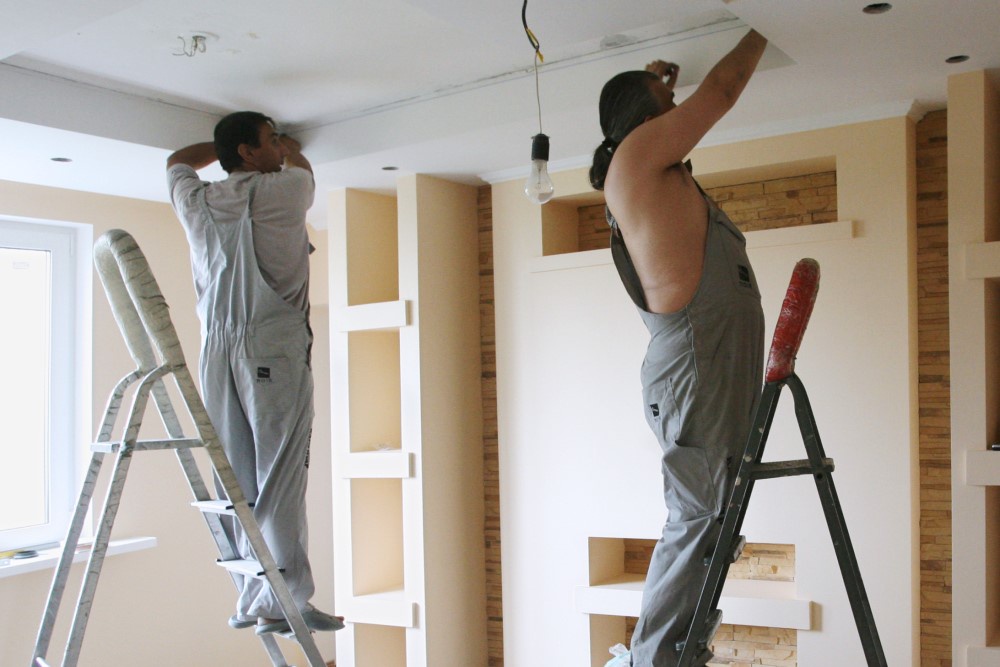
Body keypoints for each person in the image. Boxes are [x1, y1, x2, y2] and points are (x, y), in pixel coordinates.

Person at [590, 30, 768, 667]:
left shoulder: (656, 170)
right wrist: (768, 24)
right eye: (666, 101)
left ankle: (678, 650)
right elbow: (721, 89)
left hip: (713, 360)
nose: (679, 107)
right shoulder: (633, 161)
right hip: (696, 360)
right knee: (698, 514)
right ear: (642, 119)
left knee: (715, 514)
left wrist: (654, 84)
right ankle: (653, 660)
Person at [167, 111, 342, 636]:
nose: (280, 149)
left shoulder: (196, 200)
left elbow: (178, 161)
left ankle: (253, 598)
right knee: (281, 477)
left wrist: (228, 148)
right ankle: (287, 602)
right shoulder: (286, 189)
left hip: (216, 352)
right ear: (249, 152)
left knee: (236, 478)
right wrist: (288, 146)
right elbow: (303, 166)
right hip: (272, 348)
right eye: (270, 141)